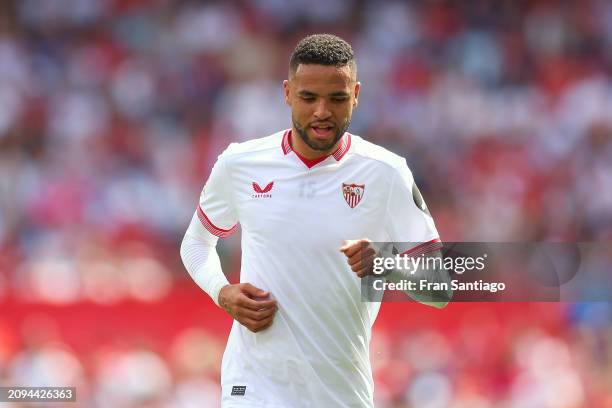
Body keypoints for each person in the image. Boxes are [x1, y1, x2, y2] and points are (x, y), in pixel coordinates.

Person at [180, 33, 450, 407]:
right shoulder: (240, 162)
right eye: (309, 97)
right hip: (254, 386)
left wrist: (387, 262)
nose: (322, 111)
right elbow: (196, 242)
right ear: (288, 92)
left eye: (337, 98)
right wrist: (220, 290)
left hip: (339, 391)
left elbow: (440, 287)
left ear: (355, 94)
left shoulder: (386, 172)